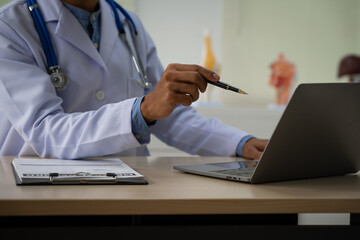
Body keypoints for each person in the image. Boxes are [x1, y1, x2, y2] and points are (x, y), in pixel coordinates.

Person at [0, 0, 268, 160]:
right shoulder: (11, 27)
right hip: (46, 196)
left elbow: (169, 114)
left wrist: (240, 143)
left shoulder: (127, 23)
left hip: (129, 189)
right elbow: (45, 131)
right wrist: (142, 110)